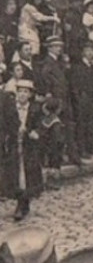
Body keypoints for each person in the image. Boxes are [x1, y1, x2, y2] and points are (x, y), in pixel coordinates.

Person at [0, 80, 40, 221]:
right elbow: (5, 124)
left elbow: (40, 126)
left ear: (30, 95)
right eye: (20, 91)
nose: (22, 95)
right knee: (15, 174)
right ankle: (19, 202)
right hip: (14, 145)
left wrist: (34, 132)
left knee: (28, 174)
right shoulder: (10, 109)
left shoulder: (35, 109)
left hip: (29, 147)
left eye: (25, 92)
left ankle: (24, 203)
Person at [70, 41, 93, 160]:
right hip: (82, 99)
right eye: (87, 51)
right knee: (81, 125)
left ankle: (91, 147)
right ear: (82, 53)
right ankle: (82, 150)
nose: (90, 53)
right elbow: (74, 85)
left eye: (92, 51)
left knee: (91, 125)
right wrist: (78, 99)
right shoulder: (77, 67)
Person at [31, 94, 66, 190]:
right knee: (53, 164)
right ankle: (51, 182)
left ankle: (45, 181)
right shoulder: (56, 122)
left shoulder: (47, 119)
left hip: (45, 146)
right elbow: (57, 139)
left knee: (45, 164)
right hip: (52, 148)